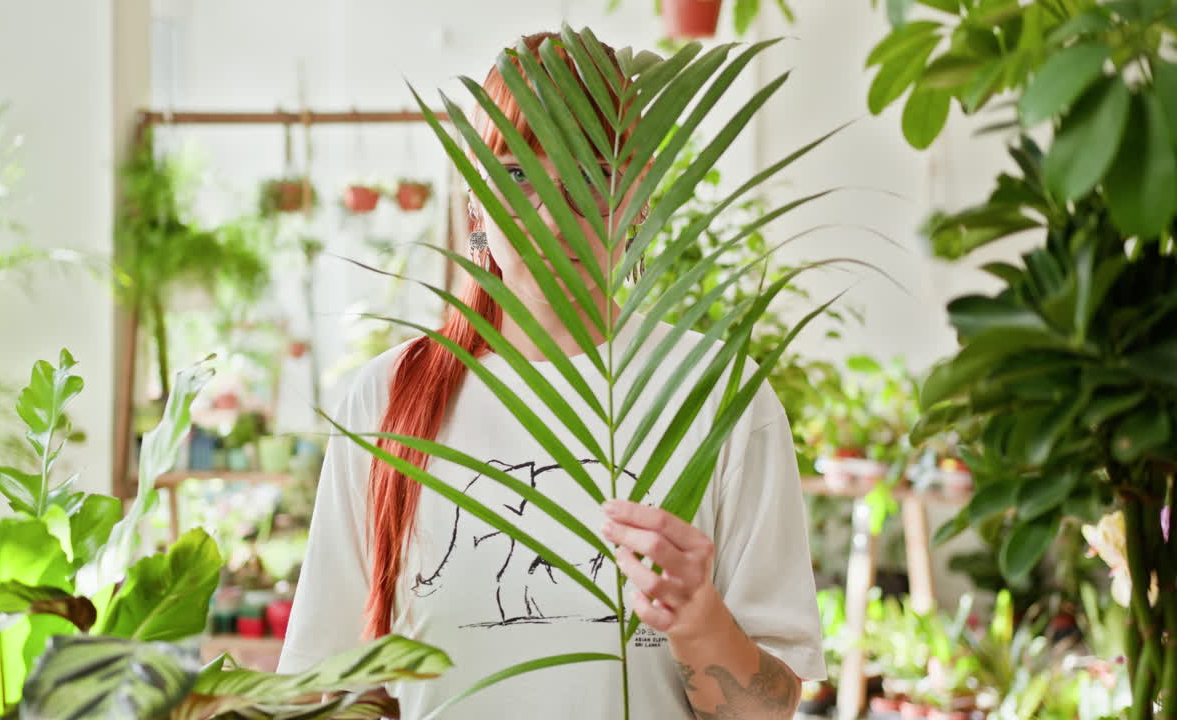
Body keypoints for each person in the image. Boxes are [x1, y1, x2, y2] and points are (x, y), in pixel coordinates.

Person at [279, 30, 825, 720]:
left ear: (636, 198)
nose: (544, 210)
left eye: (586, 176)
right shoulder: (388, 400)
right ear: (474, 203)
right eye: (514, 174)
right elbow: (328, 687)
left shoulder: (718, 395)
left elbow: (768, 710)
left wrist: (696, 617)